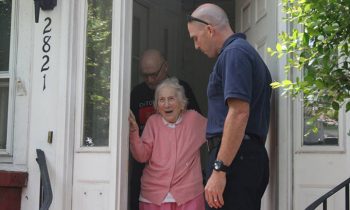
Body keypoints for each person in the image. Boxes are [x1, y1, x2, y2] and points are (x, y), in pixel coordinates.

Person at [187, 3, 272, 210]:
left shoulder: (235, 54)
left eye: (195, 38)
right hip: (241, 157)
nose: (196, 46)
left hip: (235, 161)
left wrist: (220, 168)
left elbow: (239, 112)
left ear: (209, 29)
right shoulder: (243, 53)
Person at [129, 49, 201, 210]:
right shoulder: (137, 94)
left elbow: (207, 130)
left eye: (154, 74)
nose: (149, 79)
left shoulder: (183, 89)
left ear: (165, 67)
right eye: (145, 75)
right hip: (147, 173)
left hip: (183, 185)